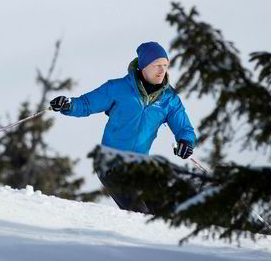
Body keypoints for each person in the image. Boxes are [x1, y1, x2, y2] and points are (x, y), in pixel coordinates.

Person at [50, 41, 196, 214]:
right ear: (143, 67)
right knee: (140, 213)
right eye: (157, 65)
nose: (162, 70)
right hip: (111, 165)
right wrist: (68, 105)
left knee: (165, 212)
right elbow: (86, 104)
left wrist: (186, 143)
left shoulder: (169, 99)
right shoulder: (118, 88)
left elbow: (184, 129)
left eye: (165, 65)